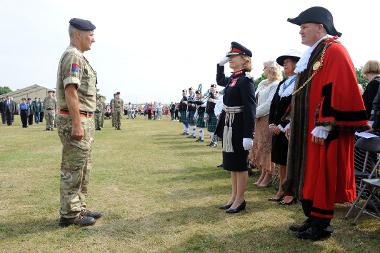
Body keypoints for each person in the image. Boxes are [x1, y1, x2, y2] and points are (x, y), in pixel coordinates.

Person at [284, 7, 368, 240]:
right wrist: (294, 121)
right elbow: (303, 93)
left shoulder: (335, 50)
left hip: (323, 130)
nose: (300, 32)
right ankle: (311, 218)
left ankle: (321, 226)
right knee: (309, 174)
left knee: (321, 175)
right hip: (307, 128)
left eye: (304, 27)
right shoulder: (314, 53)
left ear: (320, 26)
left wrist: (325, 122)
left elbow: (338, 87)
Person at [56, 18, 102, 227]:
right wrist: (76, 124)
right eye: (90, 35)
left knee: (83, 167)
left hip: (85, 119)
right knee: (73, 169)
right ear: (77, 35)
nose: (93, 39)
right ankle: (69, 214)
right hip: (77, 119)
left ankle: (79, 207)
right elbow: (71, 91)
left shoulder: (79, 57)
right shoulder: (73, 56)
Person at [215, 42, 256, 213]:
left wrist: (248, 134)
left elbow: (250, 109)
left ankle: (240, 200)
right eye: (229, 57)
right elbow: (220, 80)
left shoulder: (245, 81)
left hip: (239, 127)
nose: (230, 59)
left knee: (240, 165)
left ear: (244, 59)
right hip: (228, 125)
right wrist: (219, 65)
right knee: (232, 165)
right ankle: (233, 197)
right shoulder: (234, 79)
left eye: (233, 57)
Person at [268, 50, 301, 204]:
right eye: (284, 63)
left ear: (296, 64)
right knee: (280, 160)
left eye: (288, 62)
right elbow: (274, 105)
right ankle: (282, 188)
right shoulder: (282, 83)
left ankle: (291, 192)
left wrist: (282, 126)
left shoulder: (300, 81)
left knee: (290, 160)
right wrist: (271, 123)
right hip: (277, 129)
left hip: (289, 128)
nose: (284, 65)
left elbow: (297, 107)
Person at [251, 61, 282, 187]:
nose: (263, 70)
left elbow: (269, 104)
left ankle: (269, 174)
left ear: (271, 69)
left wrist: (254, 113)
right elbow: (255, 99)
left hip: (266, 117)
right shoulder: (262, 83)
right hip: (258, 118)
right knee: (259, 145)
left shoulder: (276, 84)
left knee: (266, 146)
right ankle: (263, 172)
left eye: (265, 67)